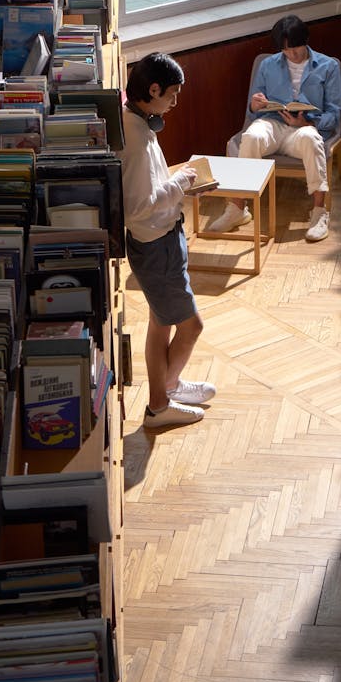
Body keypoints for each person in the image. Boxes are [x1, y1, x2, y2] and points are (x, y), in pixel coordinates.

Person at [118, 52, 216, 429]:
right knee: (191, 327)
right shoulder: (138, 139)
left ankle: (167, 387)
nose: (175, 102)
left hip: (159, 240)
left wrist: (179, 186)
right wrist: (182, 183)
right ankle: (161, 403)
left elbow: (150, 191)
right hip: (156, 244)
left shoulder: (137, 122)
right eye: (171, 94)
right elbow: (140, 206)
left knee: (161, 324)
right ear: (153, 90)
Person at [207, 15, 341, 242]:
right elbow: (253, 109)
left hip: (304, 128)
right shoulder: (268, 65)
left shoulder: (328, 66)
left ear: (306, 41)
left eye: (296, 49)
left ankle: (319, 212)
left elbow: (334, 112)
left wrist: (308, 123)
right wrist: (255, 103)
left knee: (311, 140)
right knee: (250, 136)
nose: (292, 55)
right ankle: (237, 208)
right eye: (287, 51)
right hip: (273, 123)